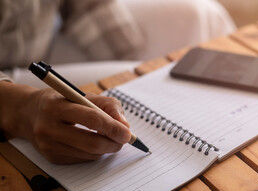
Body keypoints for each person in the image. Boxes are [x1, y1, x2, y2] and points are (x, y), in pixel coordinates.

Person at [0, 0, 236, 164]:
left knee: (202, 14)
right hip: (6, 69)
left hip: (39, 29)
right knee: (137, 73)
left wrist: (126, 51)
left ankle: (230, 122)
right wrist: (19, 107)